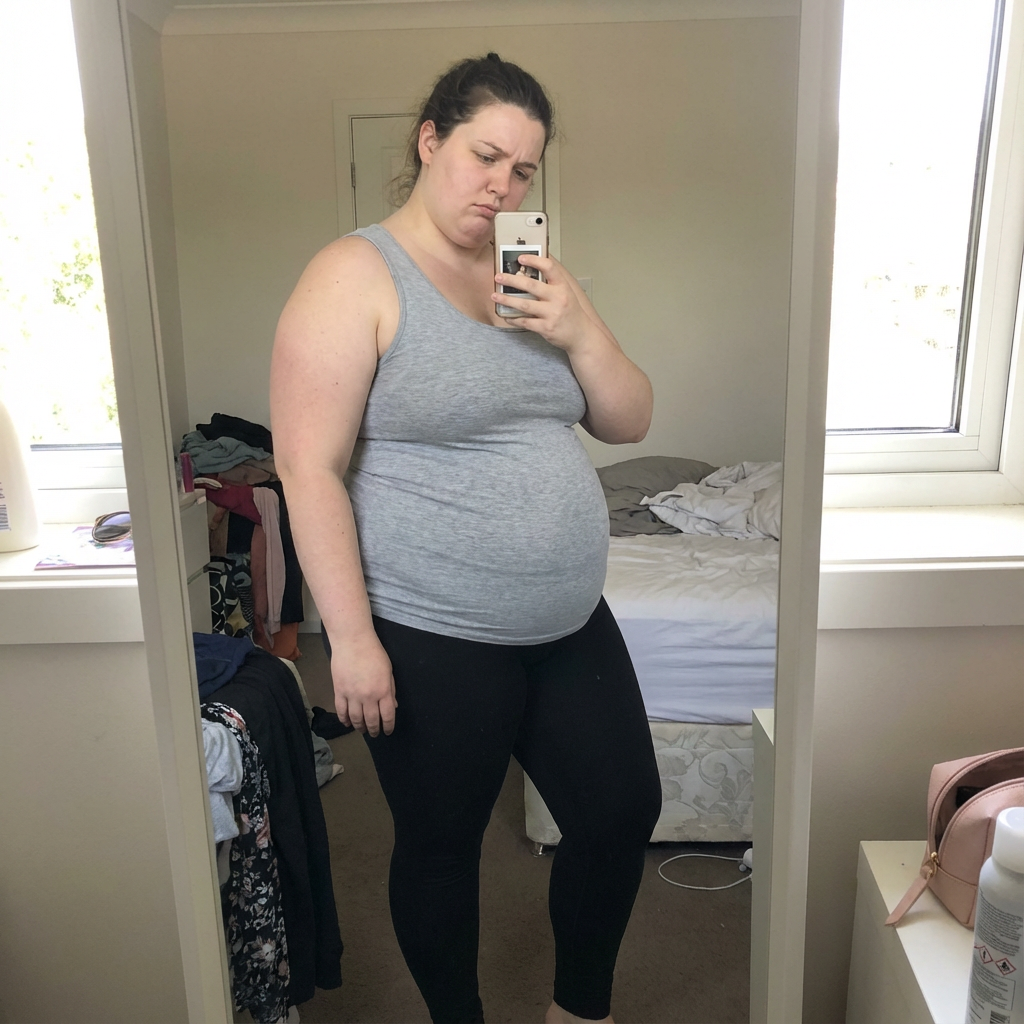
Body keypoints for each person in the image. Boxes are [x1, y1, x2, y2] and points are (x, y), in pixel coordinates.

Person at [270, 52, 662, 1024]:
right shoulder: (354, 274)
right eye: (485, 156)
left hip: (568, 621)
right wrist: (350, 639)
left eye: (523, 170)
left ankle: (579, 1010)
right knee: (442, 846)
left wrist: (580, 327)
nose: (502, 186)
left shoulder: (535, 279)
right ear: (429, 140)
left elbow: (628, 420)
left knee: (621, 811)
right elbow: (308, 468)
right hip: (431, 629)